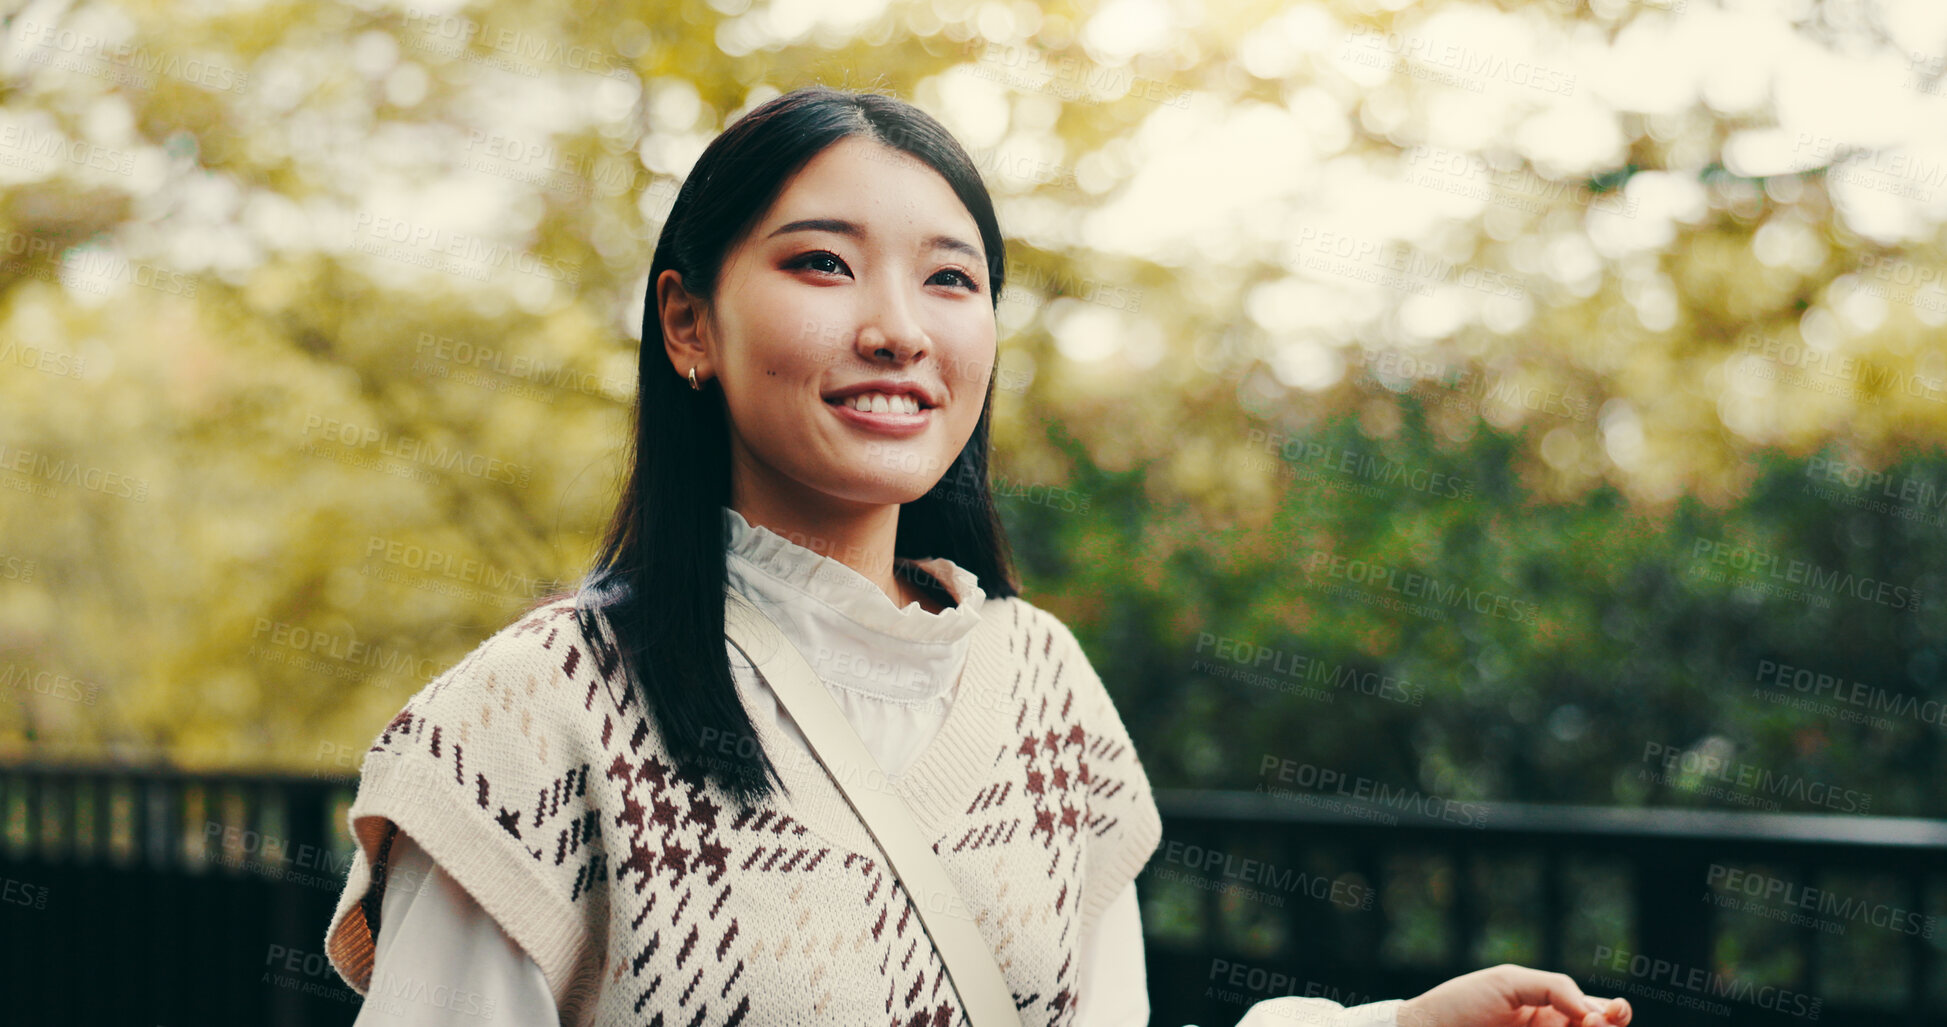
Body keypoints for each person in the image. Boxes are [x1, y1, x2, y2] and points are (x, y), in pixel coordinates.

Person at [323, 84, 1633, 1027]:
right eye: (825, 265)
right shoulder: (533, 716)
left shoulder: (1038, 684)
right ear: (688, 325)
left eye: (950, 281)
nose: (899, 329)